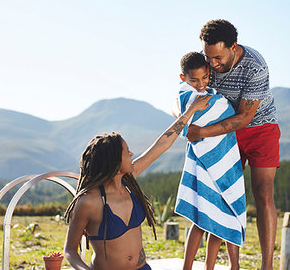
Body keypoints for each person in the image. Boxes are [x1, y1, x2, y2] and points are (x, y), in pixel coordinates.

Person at [63, 94, 211, 270]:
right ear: (114, 162)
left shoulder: (128, 181)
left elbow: (162, 144)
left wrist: (191, 110)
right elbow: (70, 250)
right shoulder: (89, 201)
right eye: (127, 152)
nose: (132, 154)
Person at [187, 19, 280, 270]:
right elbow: (185, 89)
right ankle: (233, 265)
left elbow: (245, 117)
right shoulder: (207, 62)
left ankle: (267, 265)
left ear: (233, 46)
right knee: (224, 193)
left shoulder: (255, 66)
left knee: (263, 192)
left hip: (261, 127)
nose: (212, 64)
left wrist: (202, 131)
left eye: (217, 58)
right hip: (225, 132)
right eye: (209, 58)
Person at [173, 52, 247, 270]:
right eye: (194, 80)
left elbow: (225, 110)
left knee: (225, 217)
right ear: (183, 77)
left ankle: (223, 267)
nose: (201, 84)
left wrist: (219, 105)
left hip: (225, 162)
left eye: (205, 78)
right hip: (205, 166)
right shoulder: (187, 96)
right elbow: (187, 123)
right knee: (200, 221)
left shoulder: (210, 93)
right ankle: (187, 268)